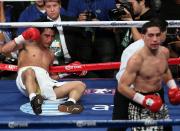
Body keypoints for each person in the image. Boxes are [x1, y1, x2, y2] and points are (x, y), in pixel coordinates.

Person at [0, 26, 86, 115]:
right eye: (47, 36)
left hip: (45, 85)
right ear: (39, 35)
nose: (50, 39)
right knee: (29, 71)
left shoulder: (51, 54)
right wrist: (22, 36)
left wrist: (68, 72)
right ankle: (33, 99)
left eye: (52, 36)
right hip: (26, 81)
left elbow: (52, 77)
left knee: (80, 85)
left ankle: (68, 104)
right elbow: (4, 50)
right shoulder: (27, 43)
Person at [117, 21, 180, 130]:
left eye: (157, 35)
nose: (155, 39)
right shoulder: (136, 60)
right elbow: (122, 87)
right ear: (143, 36)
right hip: (140, 100)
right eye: (150, 35)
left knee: (167, 129)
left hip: (159, 97)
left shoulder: (164, 52)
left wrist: (173, 87)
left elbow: (165, 71)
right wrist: (144, 100)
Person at [108, 18, 168, 131]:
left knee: (164, 125)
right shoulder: (135, 52)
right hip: (129, 92)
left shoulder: (162, 50)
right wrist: (142, 99)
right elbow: (123, 82)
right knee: (118, 126)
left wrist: (172, 86)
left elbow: (163, 70)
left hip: (153, 92)